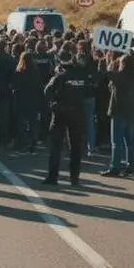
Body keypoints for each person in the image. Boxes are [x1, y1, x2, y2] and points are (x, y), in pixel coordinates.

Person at [42, 51, 93, 186]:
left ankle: (53, 177)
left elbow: (47, 91)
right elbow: (90, 90)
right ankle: (74, 178)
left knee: (56, 147)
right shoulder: (82, 75)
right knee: (75, 148)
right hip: (77, 113)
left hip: (61, 114)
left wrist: (54, 103)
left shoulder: (61, 76)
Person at [101, 53, 134, 177]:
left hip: (119, 110)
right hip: (131, 110)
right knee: (129, 141)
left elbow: (105, 72)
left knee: (116, 142)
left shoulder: (119, 76)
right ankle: (130, 166)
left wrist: (108, 60)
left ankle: (115, 167)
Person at [10, 52, 44, 155]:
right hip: (34, 100)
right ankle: (33, 144)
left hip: (22, 100)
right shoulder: (36, 72)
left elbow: (14, 87)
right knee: (33, 123)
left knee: (22, 124)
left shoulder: (19, 72)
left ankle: (25, 144)